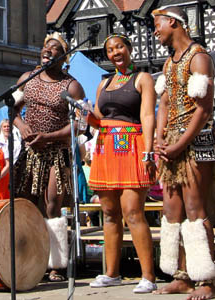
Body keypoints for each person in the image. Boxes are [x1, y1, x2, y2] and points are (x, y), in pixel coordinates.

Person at [152, 6, 215, 300]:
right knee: (172, 211)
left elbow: (203, 110)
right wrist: (159, 137)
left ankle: (207, 279)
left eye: (158, 25)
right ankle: (182, 275)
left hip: (198, 141)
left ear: (174, 23)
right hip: (173, 142)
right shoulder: (168, 63)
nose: (155, 31)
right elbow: (163, 103)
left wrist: (179, 144)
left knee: (195, 209)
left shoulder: (199, 58)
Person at [87, 33, 157, 293]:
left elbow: (148, 115)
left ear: (128, 49)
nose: (114, 52)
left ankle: (148, 276)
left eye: (119, 47)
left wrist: (149, 152)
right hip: (105, 148)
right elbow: (97, 117)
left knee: (133, 212)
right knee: (109, 214)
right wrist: (86, 115)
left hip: (132, 146)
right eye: (109, 49)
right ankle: (111, 273)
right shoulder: (103, 84)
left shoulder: (143, 79)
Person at [13, 32, 85, 281]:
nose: (48, 50)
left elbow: (81, 124)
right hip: (31, 151)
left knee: (52, 204)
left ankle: (56, 264)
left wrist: (51, 136)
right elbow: (12, 109)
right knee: (30, 204)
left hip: (58, 152)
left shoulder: (71, 85)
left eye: (55, 48)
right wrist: (22, 127)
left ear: (63, 56)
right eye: (46, 47)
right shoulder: (27, 79)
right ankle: (33, 259)